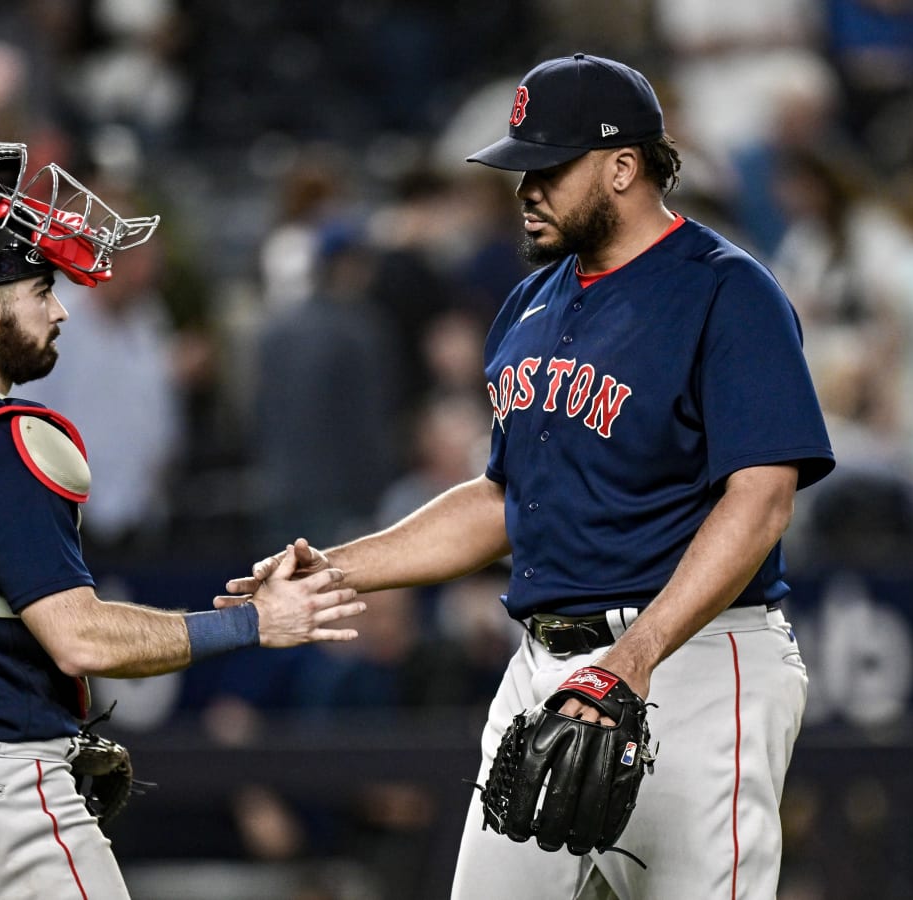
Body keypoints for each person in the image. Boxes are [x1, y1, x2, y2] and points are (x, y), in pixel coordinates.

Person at [225, 54, 835, 899]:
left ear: (624, 166)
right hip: (544, 670)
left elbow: (762, 501)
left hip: (695, 664)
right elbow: (503, 499)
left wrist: (635, 657)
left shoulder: (727, 293)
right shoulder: (530, 303)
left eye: (546, 168)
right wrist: (336, 567)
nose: (524, 189)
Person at [0, 142, 365, 900]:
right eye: (43, 290)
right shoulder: (11, 438)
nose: (62, 309)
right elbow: (79, 639)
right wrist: (252, 622)